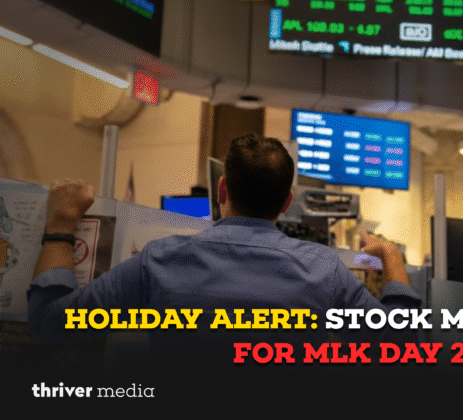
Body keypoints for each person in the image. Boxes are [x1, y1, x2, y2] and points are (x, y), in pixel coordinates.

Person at [27, 134, 421, 364]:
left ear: (221, 190)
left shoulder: (160, 259)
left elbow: (49, 323)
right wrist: (391, 258)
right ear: (286, 204)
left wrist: (61, 225)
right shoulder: (324, 271)